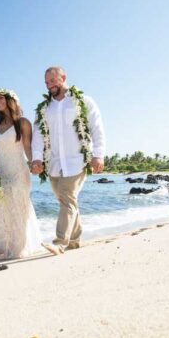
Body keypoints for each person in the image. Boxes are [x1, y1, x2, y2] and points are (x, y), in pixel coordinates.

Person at [31, 66, 106, 252]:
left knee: (67, 199)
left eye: (53, 80)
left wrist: (98, 155)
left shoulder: (83, 101)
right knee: (68, 201)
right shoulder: (44, 109)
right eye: (47, 82)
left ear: (63, 77)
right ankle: (74, 241)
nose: (49, 85)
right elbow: (38, 134)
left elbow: (97, 127)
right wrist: (37, 159)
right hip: (54, 164)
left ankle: (59, 243)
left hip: (77, 162)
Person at [0, 89, 45, 259]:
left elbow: (27, 147)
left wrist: (35, 162)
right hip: (1, 172)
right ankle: (2, 248)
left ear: (11, 100)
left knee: (18, 206)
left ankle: (19, 248)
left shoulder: (23, 123)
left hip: (19, 171)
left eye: (1, 99)